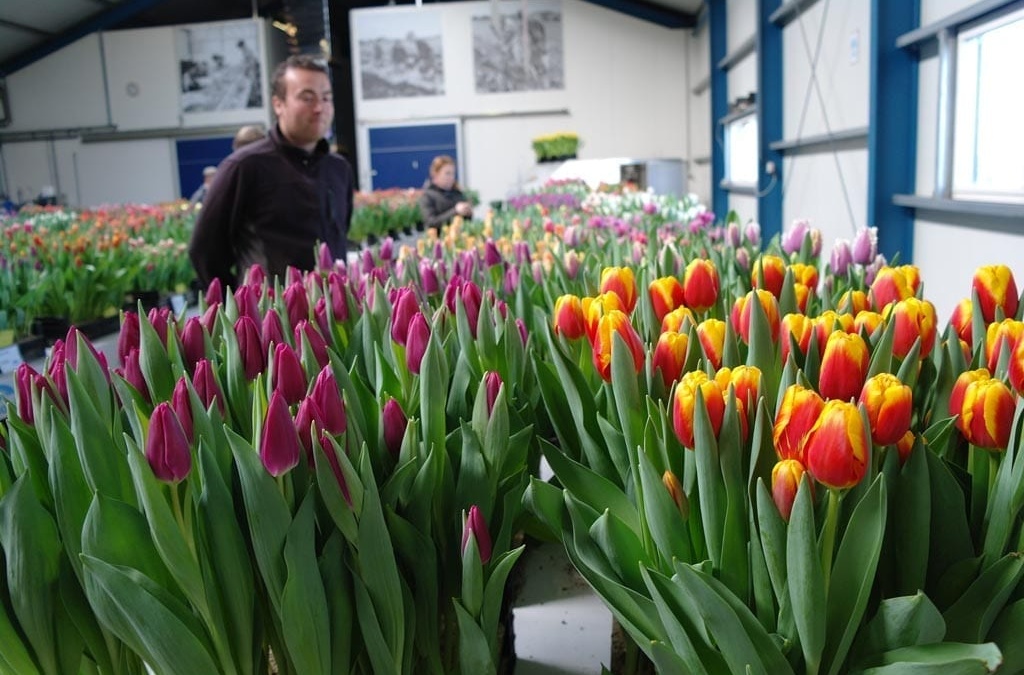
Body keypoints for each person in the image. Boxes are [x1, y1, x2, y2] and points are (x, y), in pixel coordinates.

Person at [188, 54, 354, 291]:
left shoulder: (338, 169)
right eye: (307, 98)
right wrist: (242, 304)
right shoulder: (245, 166)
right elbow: (204, 251)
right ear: (278, 104)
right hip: (272, 309)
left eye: (326, 98)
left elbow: (340, 236)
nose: (320, 108)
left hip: (332, 308)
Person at [419, 155, 472, 231]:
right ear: (436, 174)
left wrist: (467, 212)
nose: (451, 177)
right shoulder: (428, 196)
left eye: (453, 173)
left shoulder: (458, 194)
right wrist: (455, 211)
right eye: (447, 173)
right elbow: (431, 223)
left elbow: (466, 223)